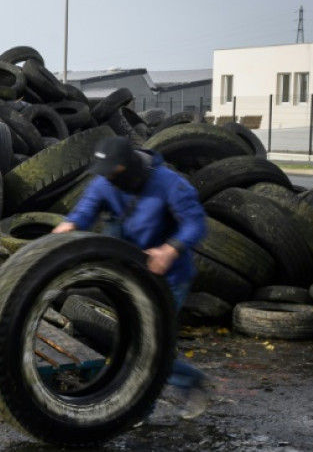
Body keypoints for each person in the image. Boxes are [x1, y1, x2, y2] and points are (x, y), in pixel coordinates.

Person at [51, 135, 210, 420]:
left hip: (168, 278)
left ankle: (179, 387)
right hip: (129, 277)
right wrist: (68, 226)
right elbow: (84, 212)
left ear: (130, 168)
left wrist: (170, 249)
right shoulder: (104, 182)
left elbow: (195, 223)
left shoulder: (168, 183)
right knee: (136, 344)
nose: (108, 179)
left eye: (113, 173)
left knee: (147, 346)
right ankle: (142, 404)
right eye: (105, 174)